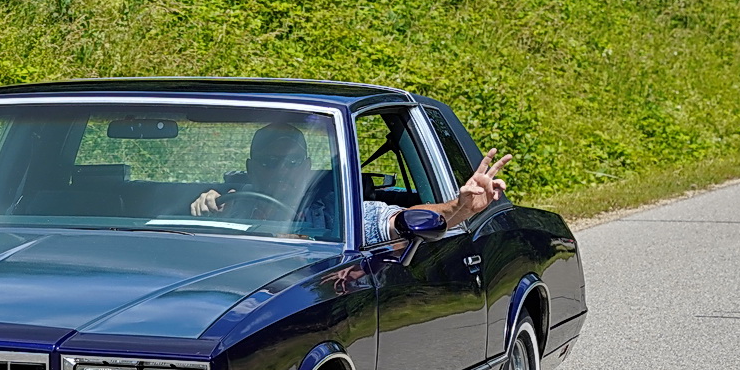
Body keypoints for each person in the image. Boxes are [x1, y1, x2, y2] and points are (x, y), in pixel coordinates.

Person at [189, 121, 512, 243]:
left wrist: (459, 206)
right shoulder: (228, 207)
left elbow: (397, 220)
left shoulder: (340, 211)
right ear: (252, 167)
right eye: (270, 163)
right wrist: (199, 212)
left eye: (291, 162)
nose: (281, 172)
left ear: (306, 167)